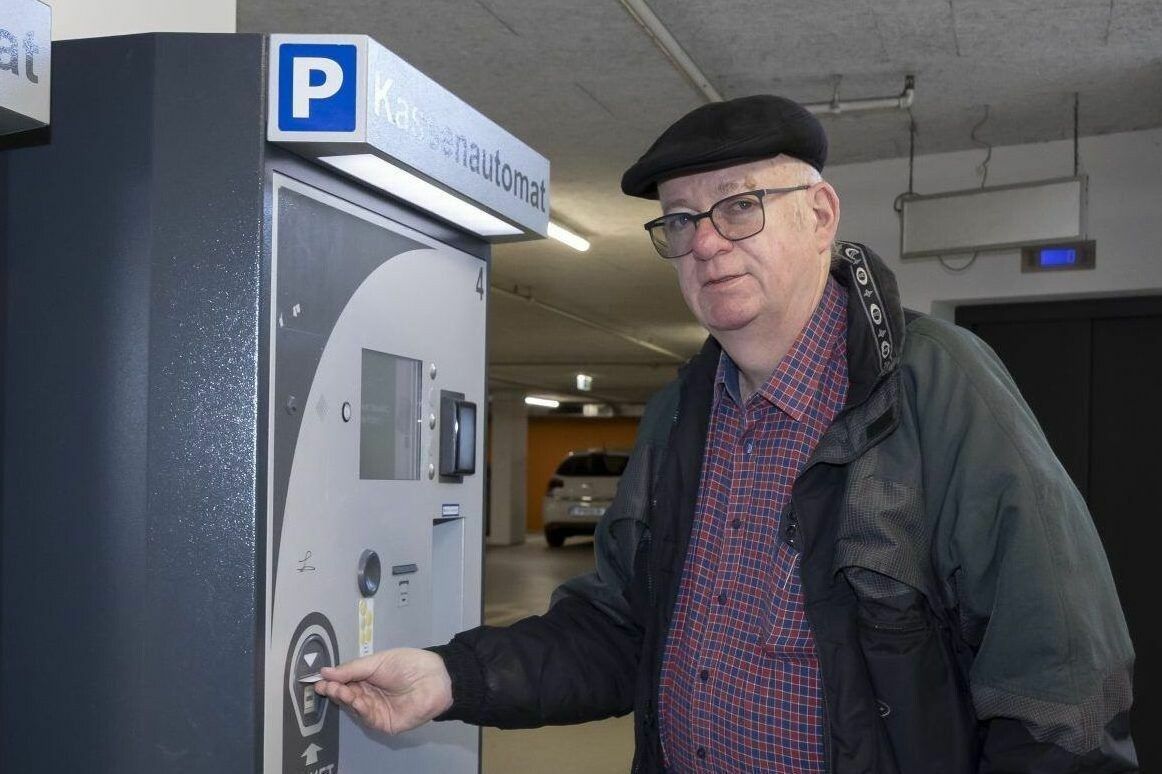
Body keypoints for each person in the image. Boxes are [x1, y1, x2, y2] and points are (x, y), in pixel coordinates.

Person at [315, 95, 1137, 772]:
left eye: (740, 206)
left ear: (819, 215)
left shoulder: (938, 389)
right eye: (679, 221)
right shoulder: (682, 414)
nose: (704, 242)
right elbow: (617, 629)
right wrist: (450, 675)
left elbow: (1059, 688)